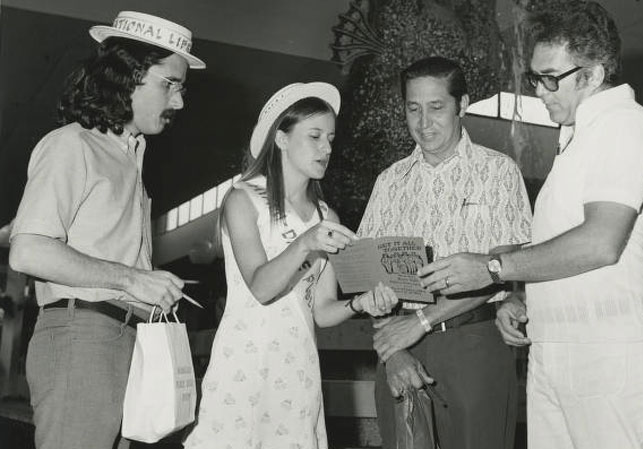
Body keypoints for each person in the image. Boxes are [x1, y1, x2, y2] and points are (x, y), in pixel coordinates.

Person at [418, 2, 643, 448]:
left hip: (606, 355)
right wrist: (525, 300)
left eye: (552, 78)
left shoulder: (623, 125)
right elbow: (563, 247)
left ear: (593, 74)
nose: (541, 91)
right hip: (557, 348)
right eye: (535, 78)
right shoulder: (578, 134)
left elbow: (600, 243)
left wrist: (495, 270)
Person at [8, 11, 204, 449]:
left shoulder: (131, 157)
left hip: (124, 337)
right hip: (84, 337)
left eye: (182, 89)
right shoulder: (72, 145)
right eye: (168, 84)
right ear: (126, 76)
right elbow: (28, 251)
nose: (178, 103)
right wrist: (133, 278)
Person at [183, 82, 397, 449]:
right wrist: (305, 242)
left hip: (297, 365)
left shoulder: (325, 214)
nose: (327, 148)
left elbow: (321, 311)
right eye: (314, 136)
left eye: (330, 138)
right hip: (244, 362)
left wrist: (359, 303)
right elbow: (262, 287)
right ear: (280, 138)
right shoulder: (243, 199)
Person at [359, 56, 533, 449]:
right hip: (399, 347)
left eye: (436, 107)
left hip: (474, 343)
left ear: (463, 104)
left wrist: (421, 321)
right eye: (413, 108)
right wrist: (393, 355)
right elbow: (369, 283)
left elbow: (504, 268)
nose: (424, 122)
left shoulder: (497, 172)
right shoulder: (389, 182)